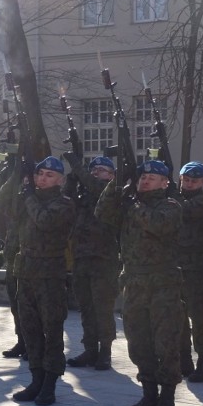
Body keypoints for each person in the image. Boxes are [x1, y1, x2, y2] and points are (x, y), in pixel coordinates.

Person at [95, 160, 182, 406]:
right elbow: (102, 212)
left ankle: (167, 398)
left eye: (152, 178)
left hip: (162, 286)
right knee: (138, 341)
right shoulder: (129, 205)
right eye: (143, 176)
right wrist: (115, 184)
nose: (145, 180)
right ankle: (148, 394)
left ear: (165, 183)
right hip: (133, 284)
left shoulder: (171, 206)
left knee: (165, 342)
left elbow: (157, 224)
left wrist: (133, 204)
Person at [7, 156, 75, 406]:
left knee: (52, 330)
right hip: (26, 273)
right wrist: (18, 178)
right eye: (39, 173)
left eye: (49, 174)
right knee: (31, 330)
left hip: (49, 276)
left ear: (60, 179)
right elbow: (5, 209)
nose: (42, 178)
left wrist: (29, 196)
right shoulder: (28, 198)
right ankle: (36, 378)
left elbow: (45, 221)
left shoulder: (64, 203)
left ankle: (50, 382)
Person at [63, 155, 119, 370]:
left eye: (102, 170)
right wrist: (72, 178)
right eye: (93, 170)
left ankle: (105, 350)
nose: (97, 173)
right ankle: (90, 349)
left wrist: (79, 166)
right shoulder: (83, 193)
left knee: (102, 307)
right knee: (86, 307)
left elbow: (97, 189)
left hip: (103, 259)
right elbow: (65, 200)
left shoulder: (111, 191)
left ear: (112, 175)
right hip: (81, 257)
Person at [175, 161, 203, 382]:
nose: (189, 184)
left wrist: (171, 194)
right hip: (175, 268)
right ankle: (184, 359)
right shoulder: (171, 198)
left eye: (194, 181)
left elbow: (186, 211)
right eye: (186, 180)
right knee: (178, 317)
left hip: (197, 269)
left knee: (200, 317)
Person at [0, 157, 25, 360]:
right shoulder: (13, 185)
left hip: (31, 258)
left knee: (31, 306)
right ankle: (22, 341)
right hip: (13, 255)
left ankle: (34, 344)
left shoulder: (33, 191)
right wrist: (8, 177)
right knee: (16, 303)